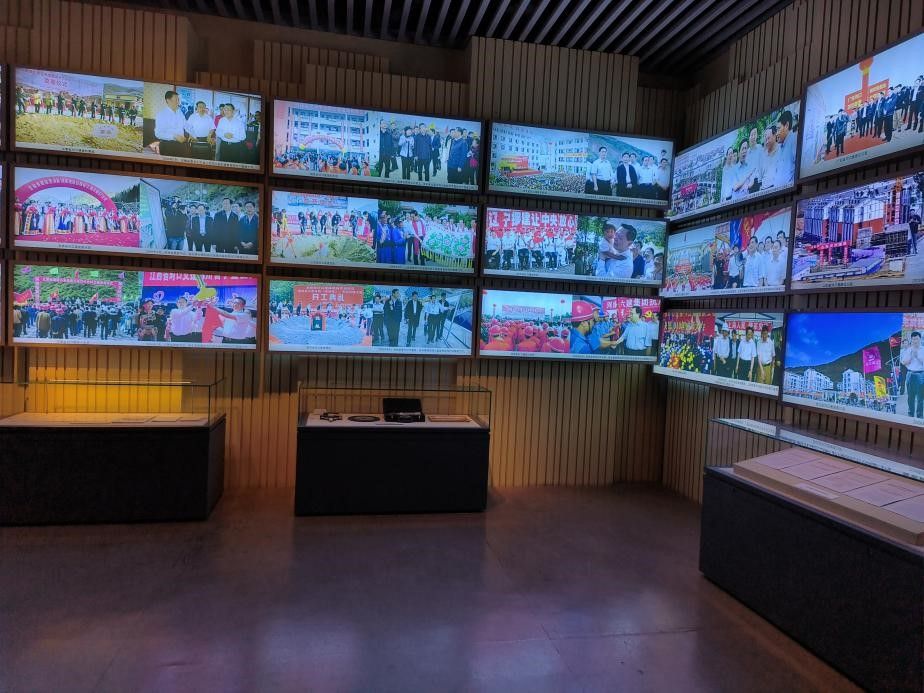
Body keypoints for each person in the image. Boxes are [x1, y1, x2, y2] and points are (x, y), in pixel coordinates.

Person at [153, 90, 188, 157]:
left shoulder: (179, 112)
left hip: (181, 144)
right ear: (168, 100)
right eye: (176, 100)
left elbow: (185, 124)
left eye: (178, 100)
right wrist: (174, 136)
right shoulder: (161, 114)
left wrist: (191, 133)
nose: (178, 102)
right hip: (168, 146)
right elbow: (158, 134)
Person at [902, 331, 924, 419]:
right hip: (910, 374)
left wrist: (917, 356)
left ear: (920, 339)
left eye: (917, 339)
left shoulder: (923, 349)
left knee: (920, 397)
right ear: (911, 340)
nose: (915, 341)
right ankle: (910, 415)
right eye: (913, 339)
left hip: (921, 374)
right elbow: (904, 362)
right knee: (910, 397)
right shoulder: (908, 350)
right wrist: (911, 357)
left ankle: (919, 416)